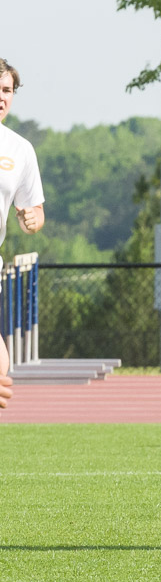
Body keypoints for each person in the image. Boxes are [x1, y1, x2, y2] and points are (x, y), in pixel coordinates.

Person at [0, 58, 44, 403]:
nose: (2, 97)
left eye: (7, 90)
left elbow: (36, 210)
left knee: (2, 368)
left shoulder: (20, 149)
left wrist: (32, 219)